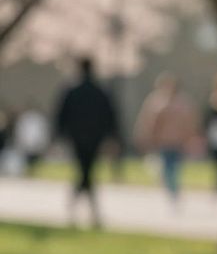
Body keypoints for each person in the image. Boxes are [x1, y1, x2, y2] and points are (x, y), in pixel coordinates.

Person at [53, 58, 122, 228]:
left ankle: (77, 205)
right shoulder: (101, 91)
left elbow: (61, 115)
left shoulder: (72, 91)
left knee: (85, 171)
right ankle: (90, 210)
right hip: (95, 137)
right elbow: (111, 115)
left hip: (77, 137)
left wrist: (59, 135)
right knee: (87, 171)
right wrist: (113, 136)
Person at [135, 73, 201, 208]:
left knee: (173, 168)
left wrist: (191, 138)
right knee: (167, 168)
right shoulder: (155, 101)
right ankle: (172, 191)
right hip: (162, 142)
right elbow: (147, 122)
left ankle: (174, 191)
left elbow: (191, 122)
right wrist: (146, 137)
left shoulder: (183, 103)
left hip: (178, 142)